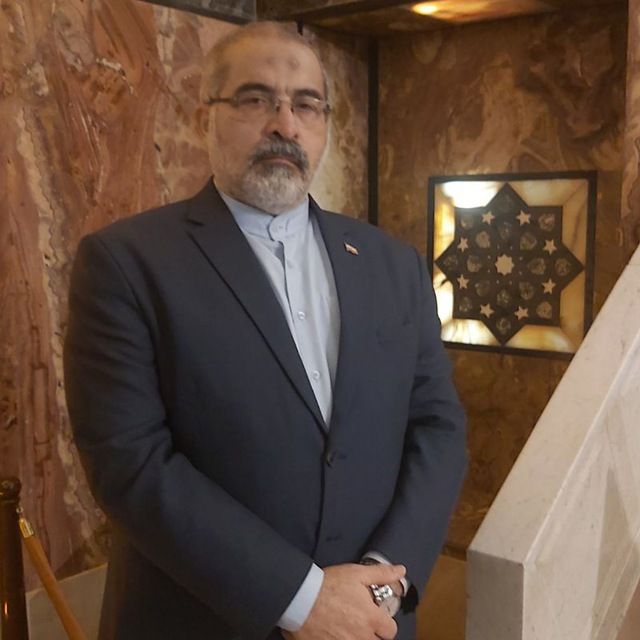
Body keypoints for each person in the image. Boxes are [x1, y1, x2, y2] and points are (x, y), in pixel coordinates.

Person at [64, 21, 466, 640]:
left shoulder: (393, 264)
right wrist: (303, 600)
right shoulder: (127, 263)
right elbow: (131, 464)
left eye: (306, 104)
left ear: (324, 125)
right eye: (256, 99)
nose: (285, 124)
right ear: (204, 117)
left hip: (372, 621)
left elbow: (438, 428)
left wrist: (383, 581)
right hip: (202, 622)